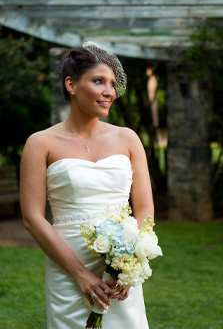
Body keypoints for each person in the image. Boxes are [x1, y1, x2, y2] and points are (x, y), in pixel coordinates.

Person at [20, 42, 151, 327]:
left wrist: (129, 266)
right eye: (98, 81)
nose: (109, 92)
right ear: (71, 84)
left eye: (112, 84)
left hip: (120, 272)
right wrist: (79, 273)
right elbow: (32, 218)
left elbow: (144, 210)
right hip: (68, 268)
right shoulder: (41, 143)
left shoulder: (128, 139)